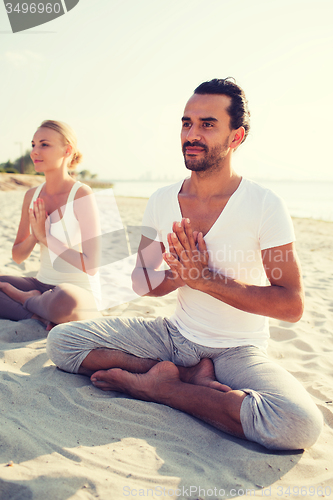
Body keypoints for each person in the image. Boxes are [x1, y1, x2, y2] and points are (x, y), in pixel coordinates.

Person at [46, 79, 322, 450]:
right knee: (62, 342)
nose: (192, 134)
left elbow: (291, 305)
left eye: (207, 124)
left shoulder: (264, 205)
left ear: (236, 137)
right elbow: (141, 281)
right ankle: (190, 376)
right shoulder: (162, 199)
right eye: (186, 123)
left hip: (238, 350)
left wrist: (206, 280)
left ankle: (165, 389)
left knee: (298, 424)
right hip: (175, 337)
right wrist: (177, 278)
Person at [0, 120, 101, 329]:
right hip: (41, 284)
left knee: (65, 300)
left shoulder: (81, 194)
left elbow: (91, 265)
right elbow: (18, 256)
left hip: (76, 291)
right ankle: (40, 314)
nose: (35, 151)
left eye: (44, 144)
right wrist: (35, 236)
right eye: (33, 145)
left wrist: (47, 238)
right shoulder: (32, 195)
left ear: (67, 150)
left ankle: (27, 302)